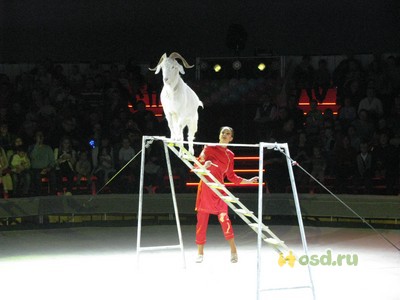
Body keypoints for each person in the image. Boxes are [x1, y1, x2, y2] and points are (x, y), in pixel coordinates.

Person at [195, 126, 258, 263]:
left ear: (231, 138)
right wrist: (204, 166)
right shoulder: (209, 148)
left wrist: (247, 181)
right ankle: (200, 253)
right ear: (219, 135)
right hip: (206, 188)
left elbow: (231, 176)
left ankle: (233, 251)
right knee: (202, 221)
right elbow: (196, 165)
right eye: (223, 132)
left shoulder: (230, 155)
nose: (224, 134)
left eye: (228, 133)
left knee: (225, 220)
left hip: (220, 190)